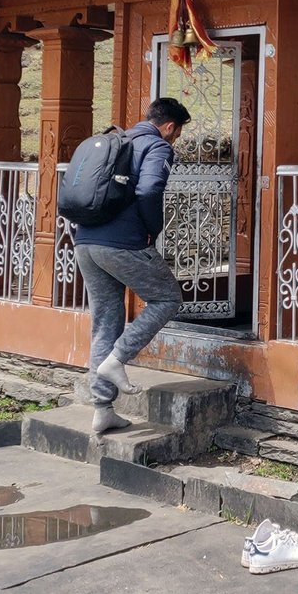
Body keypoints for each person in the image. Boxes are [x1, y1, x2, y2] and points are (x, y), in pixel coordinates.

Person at [75, 98, 188, 435]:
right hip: (122, 244)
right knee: (168, 298)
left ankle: (102, 409)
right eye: (177, 134)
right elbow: (150, 188)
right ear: (169, 127)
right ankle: (118, 358)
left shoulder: (116, 140)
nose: (175, 140)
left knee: (105, 321)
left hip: (85, 242)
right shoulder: (157, 146)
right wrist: (153, 229)